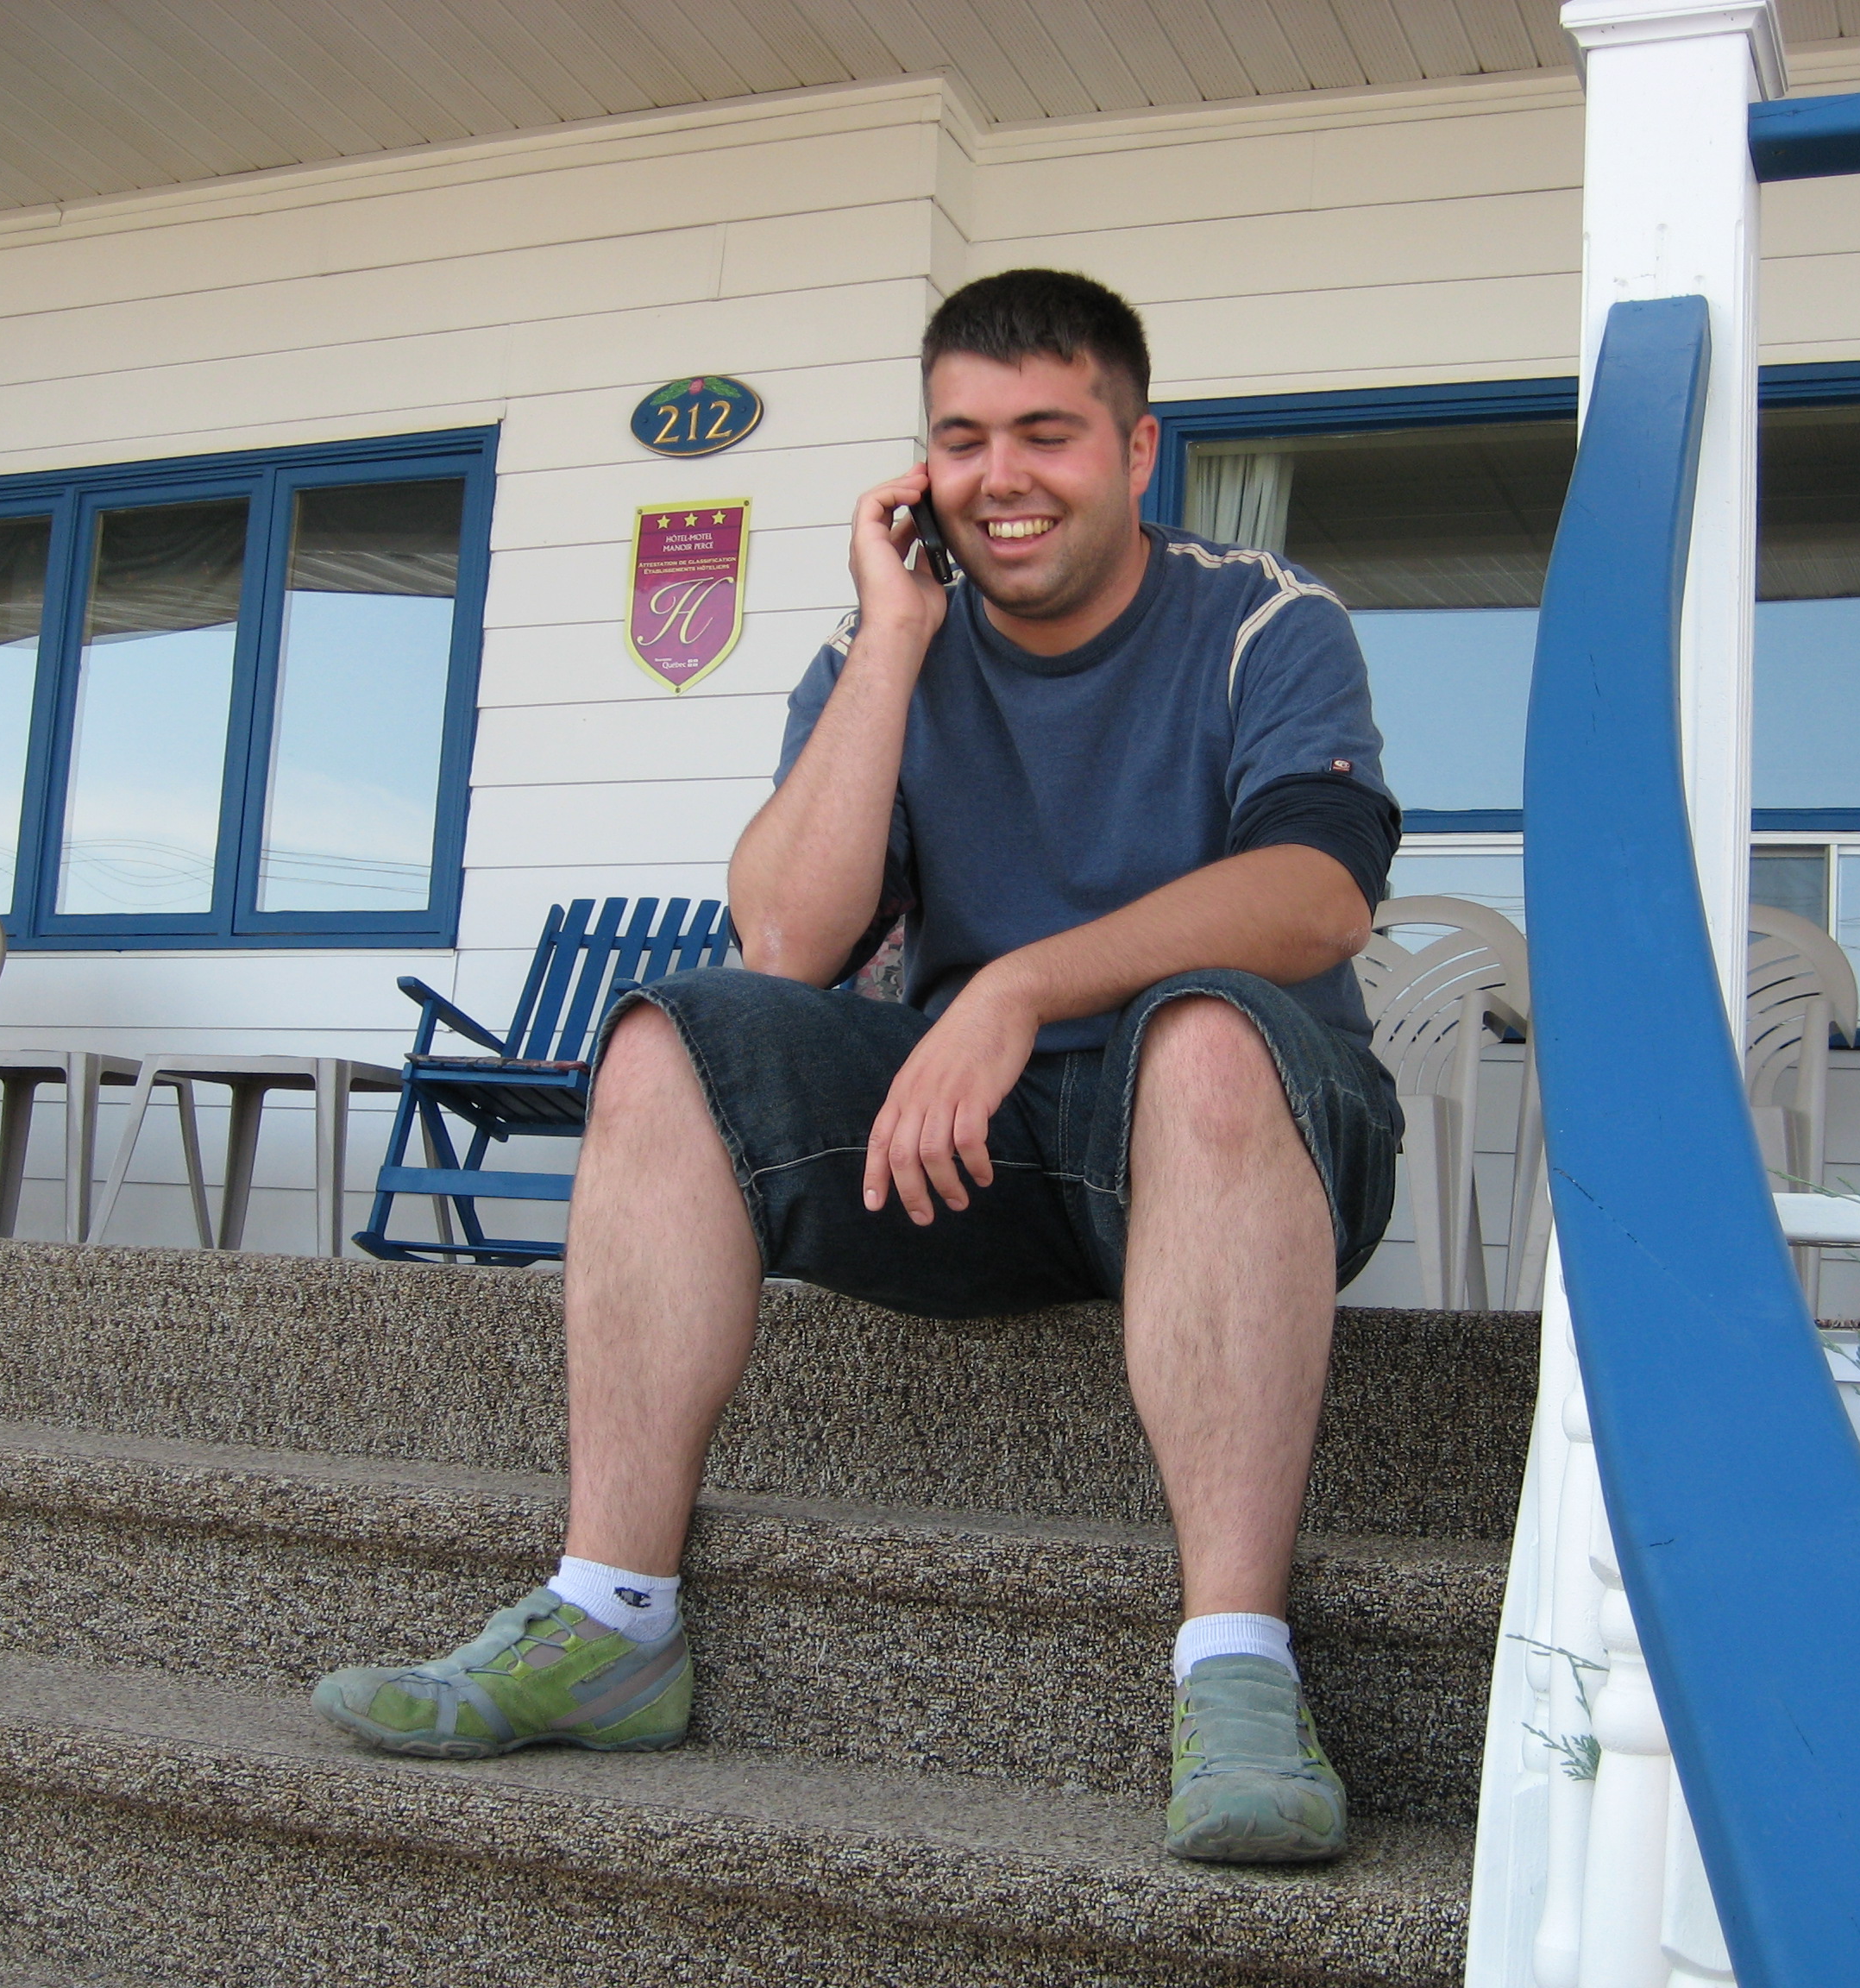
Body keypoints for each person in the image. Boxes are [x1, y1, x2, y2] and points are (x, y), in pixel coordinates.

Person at [313, 268, 1403, 1866]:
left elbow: (1319, 891)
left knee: (1209, 1043)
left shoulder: (1262, 617)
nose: (1000, 476)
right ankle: (611, 1618)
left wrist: (1020, 984)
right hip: (969, 1150)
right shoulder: (882, 642)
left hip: (1240, 1137)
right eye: (961, 439)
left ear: (1136, 449)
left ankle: (1238, 1668)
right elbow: (782, 942)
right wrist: (892, 643)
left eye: (1048, 433)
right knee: (669, 1042)